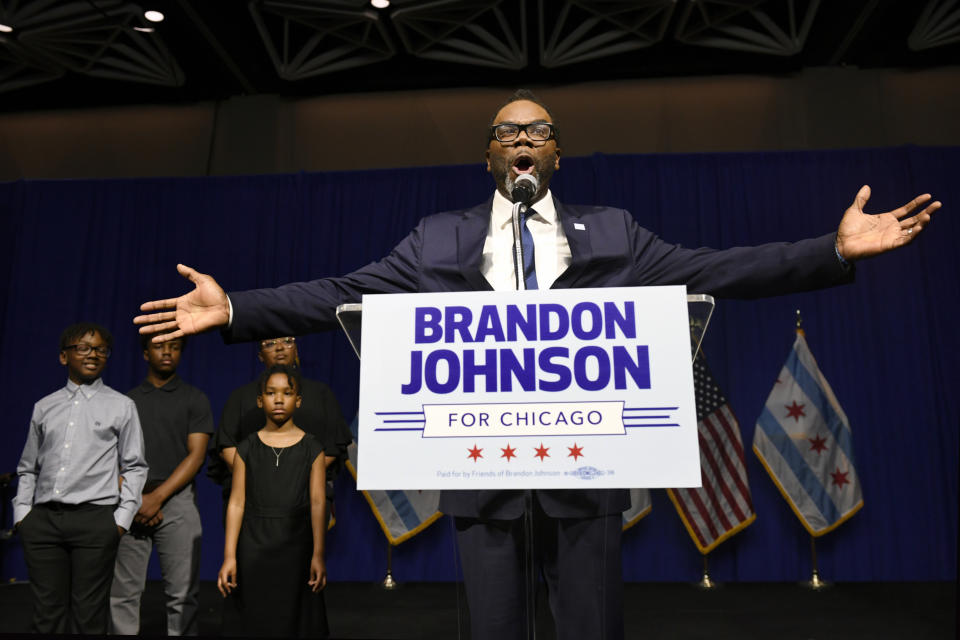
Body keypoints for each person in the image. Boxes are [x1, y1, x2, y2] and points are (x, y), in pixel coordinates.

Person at [134, 90, 942, 640]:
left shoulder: (616, 232)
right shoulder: (439, 239)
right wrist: (234, 308)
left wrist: (831, 250)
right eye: (508, 132)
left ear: (559, 153)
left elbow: (717, 270)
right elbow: (341, 292)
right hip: (481, 480)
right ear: (488, 154)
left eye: (539, 131)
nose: (524, 140)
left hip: (584, 477)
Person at [13, 323, 148, 634]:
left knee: (88, 617)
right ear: (64, 357)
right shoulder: (44, 407)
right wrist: (23, 515)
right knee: (46, 615)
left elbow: (135, 466)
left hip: (95, 521)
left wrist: (121, 520)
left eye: (101, 349)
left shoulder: (122, 406)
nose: (93, 354)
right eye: (84, 348)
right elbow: (28, 466)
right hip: (44, 521)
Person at [109, 335, 213, 636]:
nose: (167, 352)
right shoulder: (125, 402)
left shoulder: (195, 398)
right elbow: (113, 459)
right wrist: (137, 499)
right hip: (130, 500)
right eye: (159, 346)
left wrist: (157, 497)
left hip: (177, 501)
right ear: (145, 353)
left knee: (183, 595)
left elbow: (197, 456)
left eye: (175, 347)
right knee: (123, 594)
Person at [217, 364, 328, 638]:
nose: (279, 399)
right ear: (260, 400)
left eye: (287, 393)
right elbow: (237, 503)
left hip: (296, 543)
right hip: (253, 545)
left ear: (298, 400)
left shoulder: (312, 448)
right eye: (271, 393)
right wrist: (229, 556)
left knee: (295, 618)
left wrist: (317, 554)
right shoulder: (247, 447)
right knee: (255, 617)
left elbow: (317, 502)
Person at [208, 336, 351, 525]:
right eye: (270, 344)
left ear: (297, 350)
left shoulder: (321, 394)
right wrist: (264, 482)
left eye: (287, 341)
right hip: (251, 499)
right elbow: (227, 447)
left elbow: (333, 448)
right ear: (260, 356)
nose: (280, 348)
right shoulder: (241, 398)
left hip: (307, 498)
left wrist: (293, 481)